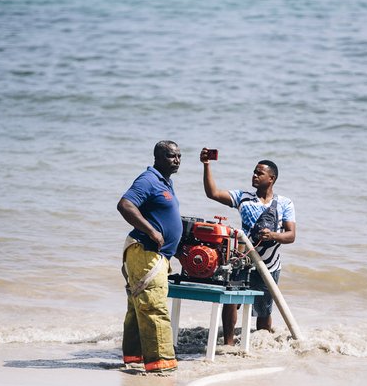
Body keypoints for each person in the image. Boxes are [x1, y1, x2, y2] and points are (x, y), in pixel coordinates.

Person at [199, 148, 296, 345]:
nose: (254, 175)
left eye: (259, 173)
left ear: (272, 178)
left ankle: (262, 345)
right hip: (242, 261)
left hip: (270, 265)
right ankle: (228, 344)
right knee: (231, 301)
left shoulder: (285, 203)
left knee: (264, 308)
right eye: (254, 171)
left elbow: (291, 235)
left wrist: (273, 235)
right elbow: (213, 193)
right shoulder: (242, 197)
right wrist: (206, 165)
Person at [116, 141, 182, 373]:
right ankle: (161, 363)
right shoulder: (148, 179)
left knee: (139, 307)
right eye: (172, 156)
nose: (177, 160)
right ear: (158, 157)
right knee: (153, 306)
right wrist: (151, 231)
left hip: (155, 255)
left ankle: (135, 358)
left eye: (179, 157)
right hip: (145, 250)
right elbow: (125, 205)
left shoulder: (165, 182)